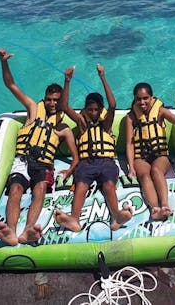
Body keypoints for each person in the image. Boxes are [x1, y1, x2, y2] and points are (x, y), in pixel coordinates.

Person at [0, 48, 79, 246]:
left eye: (56, 101)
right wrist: (3, 62)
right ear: (44, 98)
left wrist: (70, 170)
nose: (51, 103)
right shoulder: (33, 109)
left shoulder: (63, 128)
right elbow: (11, 85)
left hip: (43, 165)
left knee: (39, 190)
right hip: (22, 161)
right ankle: (11, 231)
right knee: (15, 189)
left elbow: (75, 157)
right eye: (49, 99)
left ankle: (29, 230)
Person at [54, 64, 133, 231]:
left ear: (100, 110)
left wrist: (103, 77)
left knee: (109, 185)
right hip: (86, 163)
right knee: (81, 186)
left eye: (97, 110)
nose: (93, 113)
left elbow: (112, 105)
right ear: (86, 110)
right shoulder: (82, 124)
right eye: (90, 110)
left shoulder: (106, 125)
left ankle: (117, 216)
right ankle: (74, 219)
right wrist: (67, 80)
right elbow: (64, 107)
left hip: (106, 161)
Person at [125, 83, 175, 220]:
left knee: (156, 171)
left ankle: (164, 205)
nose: (142, 102)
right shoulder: (131, 117)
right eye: (138, 99)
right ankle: (155, 209)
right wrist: (131, 167)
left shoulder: (160, 111)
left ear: (151, 97)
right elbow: (129, 143)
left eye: (145, 98)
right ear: (134, 98)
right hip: (141, 157)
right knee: (145, 175)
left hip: (160, 155)